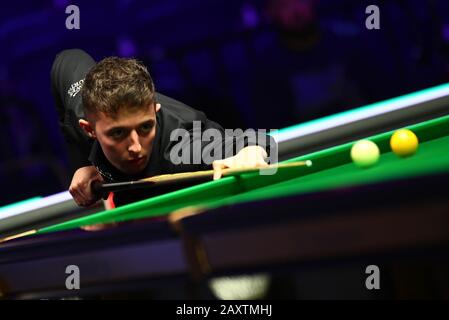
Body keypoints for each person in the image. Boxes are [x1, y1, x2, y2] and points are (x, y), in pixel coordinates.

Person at [51, 49, 273, 207]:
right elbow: (68, 58)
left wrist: (249, 154)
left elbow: (257, 143)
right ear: (89, 129)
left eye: (146, 127)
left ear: (155, 113)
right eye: (118, 133)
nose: (136, 147)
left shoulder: (181, 144)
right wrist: (82, 165)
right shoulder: (81, 107)